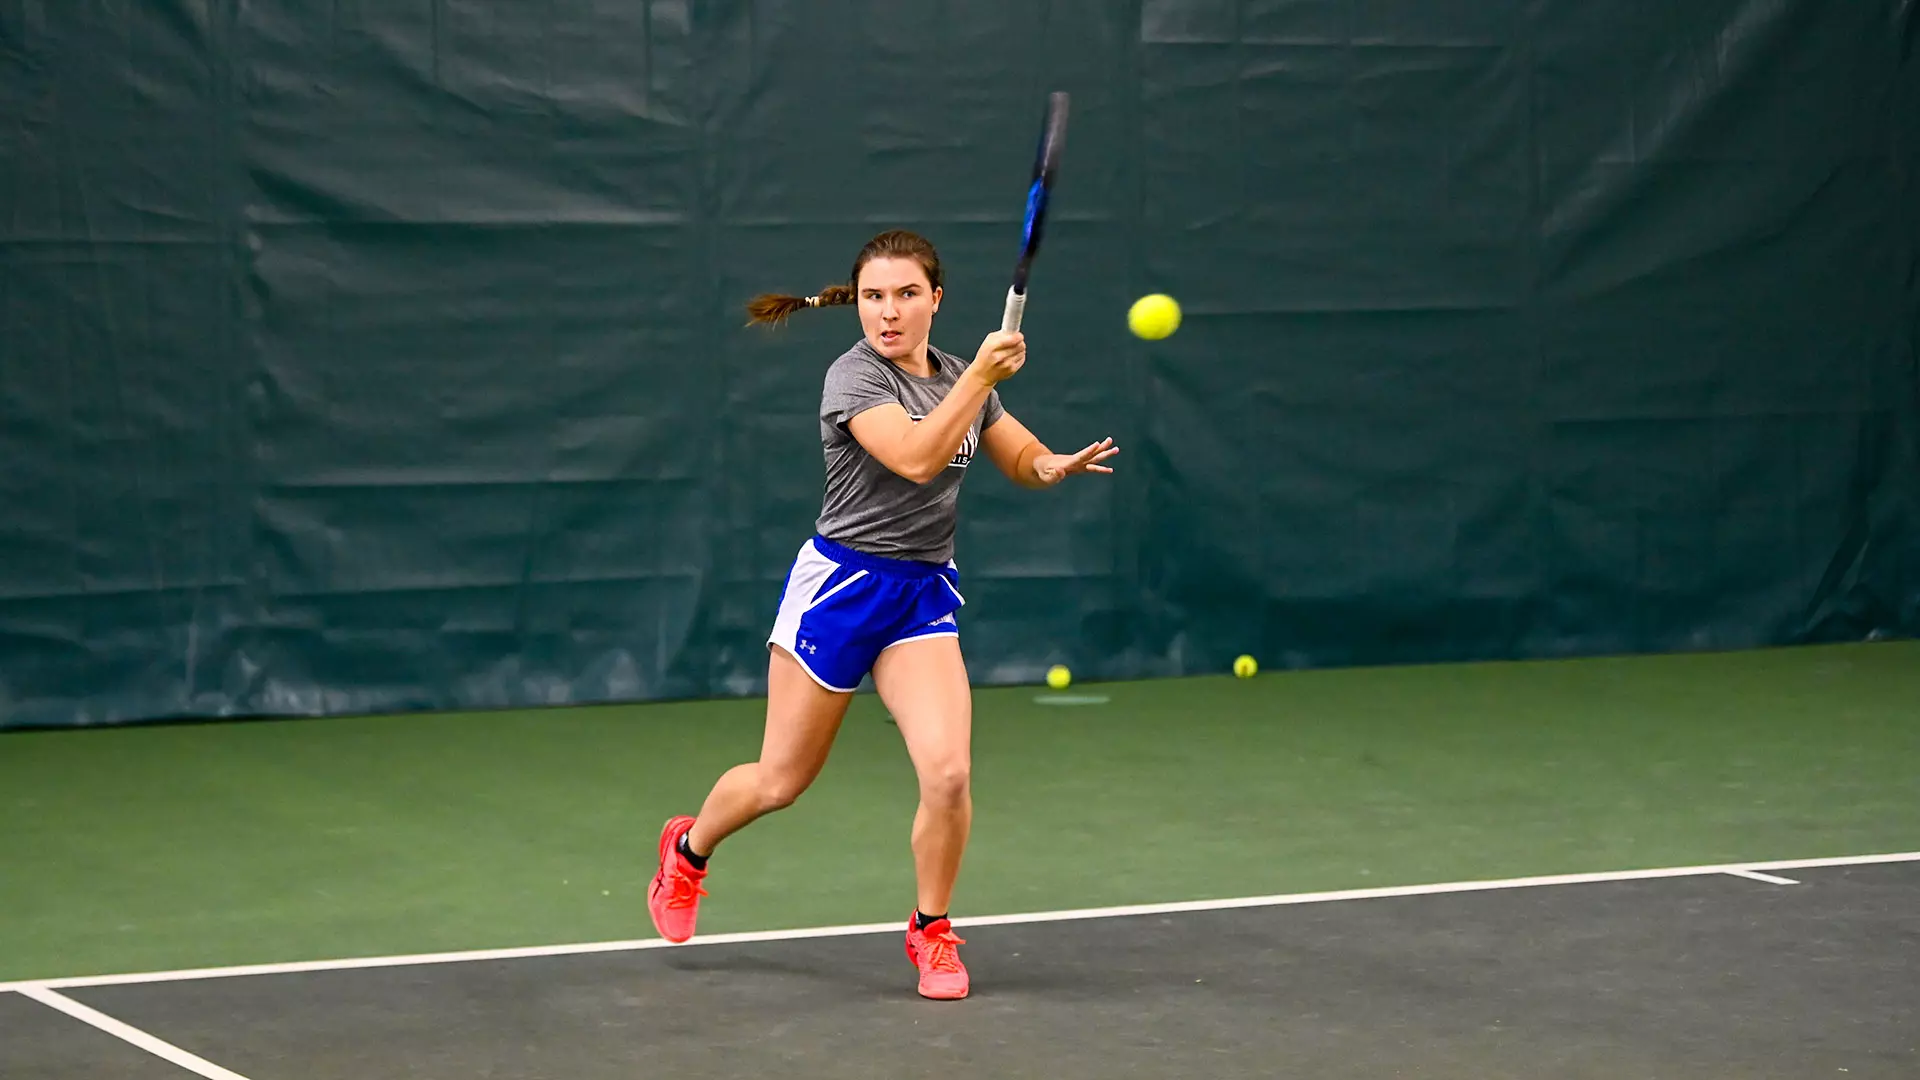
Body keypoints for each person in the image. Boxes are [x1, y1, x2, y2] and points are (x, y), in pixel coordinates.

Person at [646, 228, 1118, 1000]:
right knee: (779, 782)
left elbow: (1020, 456)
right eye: (873, 296)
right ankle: (689, 850)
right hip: (840, 591)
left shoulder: (964, 375)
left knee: (950, 773)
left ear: (937, 299)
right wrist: (979, 384)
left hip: (919, 594)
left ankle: (932, 931)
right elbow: (916, 457)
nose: (887, 312)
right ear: (857, 303)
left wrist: (1051, 464)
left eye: (905, 294)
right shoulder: (853, 378)